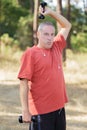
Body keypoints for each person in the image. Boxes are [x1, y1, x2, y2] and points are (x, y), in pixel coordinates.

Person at [18, 5, 71, 130]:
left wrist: (51, 12)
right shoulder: (30, 53)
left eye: (52, 34)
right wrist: (25, 110)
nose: (49, 38)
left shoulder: (56, 46)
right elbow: (23, 83)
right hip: (40, 112)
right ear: (38, 34)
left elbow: (67, 25)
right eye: (46, 34)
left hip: (59, 110)